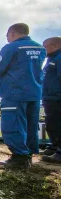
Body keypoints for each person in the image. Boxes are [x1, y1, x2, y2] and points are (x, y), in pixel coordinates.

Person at [0, 23, 46, 169]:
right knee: (29, 125)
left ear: (12, 33)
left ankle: (19, 157)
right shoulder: (40, 48)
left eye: (7, 35)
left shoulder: (11, 47)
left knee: (12, 124)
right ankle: (28, 155)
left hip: (14, 92)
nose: (7, 38)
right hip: (34, 93)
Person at [41, 37, 61, 165]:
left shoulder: (59, 59)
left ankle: (59, 153)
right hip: (50, 98)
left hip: (57, 98)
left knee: (58, 125)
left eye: (45, 47)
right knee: (51, 124)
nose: (43, 50)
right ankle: (54, 147)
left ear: (55, 46)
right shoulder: (52, 59)